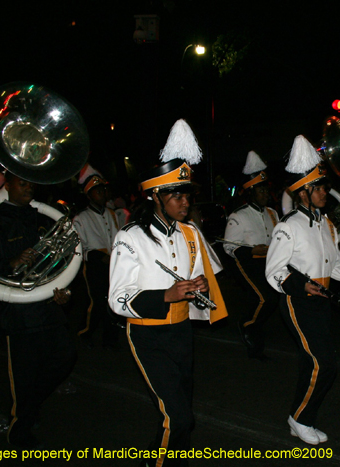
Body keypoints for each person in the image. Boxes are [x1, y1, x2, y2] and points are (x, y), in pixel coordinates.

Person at [108, 119, 227, 467]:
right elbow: (117, 299)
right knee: (177, 416)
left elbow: (198, 277)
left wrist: (197, 286)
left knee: (182, 411)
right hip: (146, 335)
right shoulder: (130, 237)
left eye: (187, 193)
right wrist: (166, 295)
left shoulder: (189, 233)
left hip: (182, 331)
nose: (185, 201)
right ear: (154, 196)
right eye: (176, 194)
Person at [265, 135, 340, 445]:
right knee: (324, 363)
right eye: (318, 188)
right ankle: (300, 419)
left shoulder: (326, 224)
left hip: (321, 302)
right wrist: (299, 284)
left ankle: (299, 418)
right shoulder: (287, 226)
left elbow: (334, 268)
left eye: (322, 186)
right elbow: (273, 272)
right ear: (303, 192)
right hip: (297, 302)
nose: (323, 192)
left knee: (313, 362)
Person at [0, 171, 76, 449]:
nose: (29, 187)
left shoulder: (43, 219)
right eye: (22, 182)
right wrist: (12, 262)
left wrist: (64, 290)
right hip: (17, 314)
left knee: (65, 357)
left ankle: (29, 407)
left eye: (31, 182)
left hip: (48, 308)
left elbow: (61, 262)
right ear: (7, 184)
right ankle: (18, 433)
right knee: (23, 374)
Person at [223, 151, 279, 359]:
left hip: (269, 263)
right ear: (252, 192)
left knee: (273, 299)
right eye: (261, 190)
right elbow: (228, 247)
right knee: (266, 298)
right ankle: (247, 325)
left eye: (267, 189)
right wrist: (251, 250)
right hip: (247, 264)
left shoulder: (273, 214)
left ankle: (254, 323)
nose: (266, 194)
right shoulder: (239, 216)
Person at [73, 165, 125, 349]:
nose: (103, 193)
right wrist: (98, 256)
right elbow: (80, 247)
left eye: (103, 190)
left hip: (112, 264)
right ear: (89, 194)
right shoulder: (81, 218)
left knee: (112, 299)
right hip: (95, 265)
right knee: (96, 301)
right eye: (98, 191)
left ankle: (110, 337)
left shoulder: (112, 214)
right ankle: (86, 329)